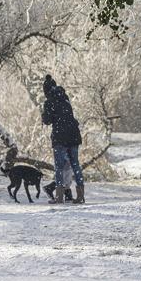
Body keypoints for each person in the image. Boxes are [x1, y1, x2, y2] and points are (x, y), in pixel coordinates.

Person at [42, 75, 85, 204]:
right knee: (75, 165)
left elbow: (47, 120)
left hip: (60, 137)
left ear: (46, 91)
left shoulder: (49, 102)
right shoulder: (65, 99)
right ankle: (80, 196)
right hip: (73, 135)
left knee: (59, 168)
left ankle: (59, 197)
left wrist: (44, 114)